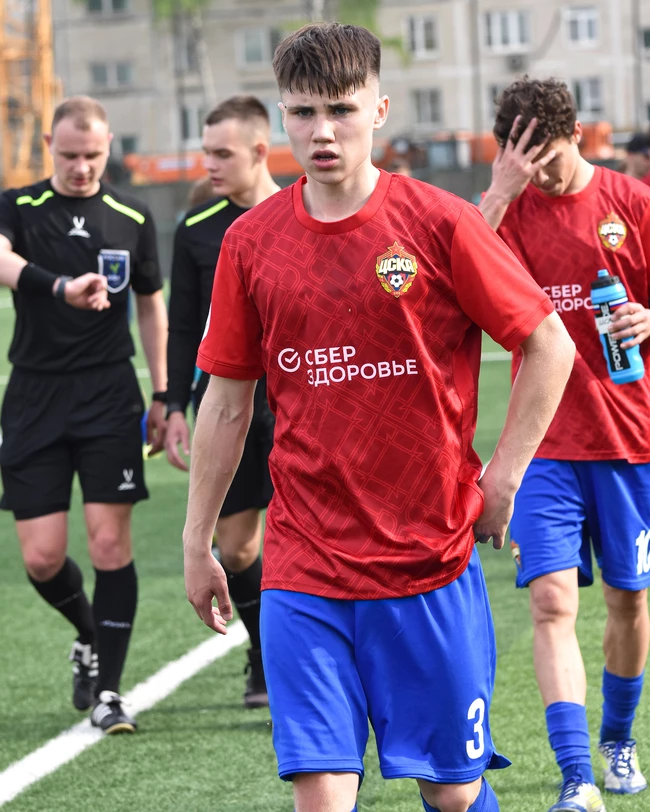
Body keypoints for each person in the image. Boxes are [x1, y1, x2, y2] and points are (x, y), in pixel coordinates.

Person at [183, 23, 574, 812]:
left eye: (341, 109)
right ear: (283, 118)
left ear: (380, 110)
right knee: (323, 796)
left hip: (426, 560)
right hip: (304, 565)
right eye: (303, 112)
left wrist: (504, 477)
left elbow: (549, 343)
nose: (322, 131)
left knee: (453, 795)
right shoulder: (250, 243)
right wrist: (198, 540)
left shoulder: (441, 222)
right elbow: (225, 400)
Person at [480, 77, 650, 812]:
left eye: (548, 157)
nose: (540, 175)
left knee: (629, 601)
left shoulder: (632, 203)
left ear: (577, 135)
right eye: (523, 161)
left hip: (629, 441)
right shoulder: (506, 211)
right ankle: (578, 776)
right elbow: (442, 280)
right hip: (543, 445)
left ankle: (617, 739)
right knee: (552, 603)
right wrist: (500, 190)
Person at [0, 95, 168, 734]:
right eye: (69, 155)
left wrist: (163, 394)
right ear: (49, 145)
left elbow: (150, 305)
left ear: (108, 146)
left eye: (92, 155)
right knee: (42, 558)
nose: (81, 167)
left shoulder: (132, 215)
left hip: (109, 396)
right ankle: (89, 634)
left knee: (108, 542)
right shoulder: (18, 205)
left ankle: (109, 692)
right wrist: (59, 287)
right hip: (35, 397)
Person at [165, 95, 279, 708]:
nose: (208, 164)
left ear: (260, 151)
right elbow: (183, 325)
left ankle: (301, 668)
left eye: (221, 153)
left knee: (307, 539)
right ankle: (261, 652)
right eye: (205, 153)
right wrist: (173, 404)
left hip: (293, 402)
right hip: (224, 404)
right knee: (236, 549)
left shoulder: (299, 214)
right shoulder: (194, 231)